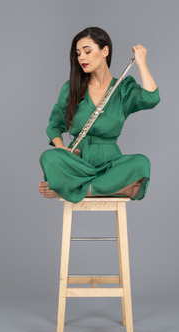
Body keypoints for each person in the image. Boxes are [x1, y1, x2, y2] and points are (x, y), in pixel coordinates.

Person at [38, 27, 160, 204]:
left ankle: (71, 189)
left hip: (110, 164)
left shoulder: (123, 90)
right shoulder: (71, 89)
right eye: (78, 53)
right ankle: (116, 189)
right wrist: (60, 146)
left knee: (142, 163)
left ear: (105, 51)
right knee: (49, 158)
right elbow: (54, 125)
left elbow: (152, 98)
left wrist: (141, 63)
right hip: (77, 163)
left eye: (87, 51)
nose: (82, 58)